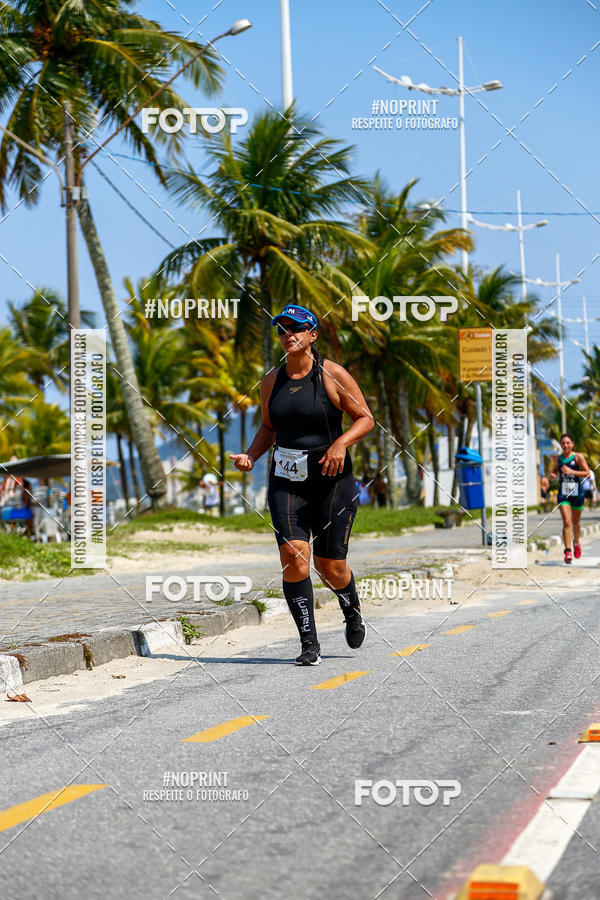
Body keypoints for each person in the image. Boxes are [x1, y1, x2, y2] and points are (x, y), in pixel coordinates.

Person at [231, 304, 374, 666]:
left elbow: (365, 419)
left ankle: (352, 610)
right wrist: (251, 455)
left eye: (295, 328)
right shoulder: (271, 381)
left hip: (332, 482)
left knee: (330, 567)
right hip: (287, 481)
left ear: (312, 335)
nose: (287, 335)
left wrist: (341, 443)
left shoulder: (332, 375)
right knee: (294, 557)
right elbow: (269, 427)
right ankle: (309, 642)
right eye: (281, 330)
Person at [550, 433, 591, 564]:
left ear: (572, 444)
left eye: (568, 443)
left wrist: (572, 472)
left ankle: (576, 542)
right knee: (567, 522)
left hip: (577, 494)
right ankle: (567, 551)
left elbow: (587, 473)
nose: (565, 445)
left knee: (575, 523)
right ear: (561, 445)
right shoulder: (559, 458)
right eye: (563, 443)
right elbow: (556, 469)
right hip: (564, 494)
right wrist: (553, 474)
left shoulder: (578, 457)